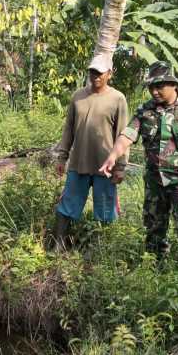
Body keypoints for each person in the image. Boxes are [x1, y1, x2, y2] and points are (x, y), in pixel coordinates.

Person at [100, 61, 178, 267]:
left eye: (159, 86)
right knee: (154, 229)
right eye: (151, 87)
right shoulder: (145, 110)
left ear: (173, 85)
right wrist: (113, 155)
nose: (154, 92)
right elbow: (127, 136)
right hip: (155, 182)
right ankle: (154, 271)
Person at [52, 55, 129, 249]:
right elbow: (68, 129)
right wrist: (62, 157)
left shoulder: (117, 99)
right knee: (67, 204)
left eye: (100, 73)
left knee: (105, 209)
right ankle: (58, 245)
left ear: (109, 74)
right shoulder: (78, 96)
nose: (96, 76)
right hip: (79, 162)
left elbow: (123, 134)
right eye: (93, 72)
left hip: (106, 164)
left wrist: (120, 166)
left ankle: (101, 249)